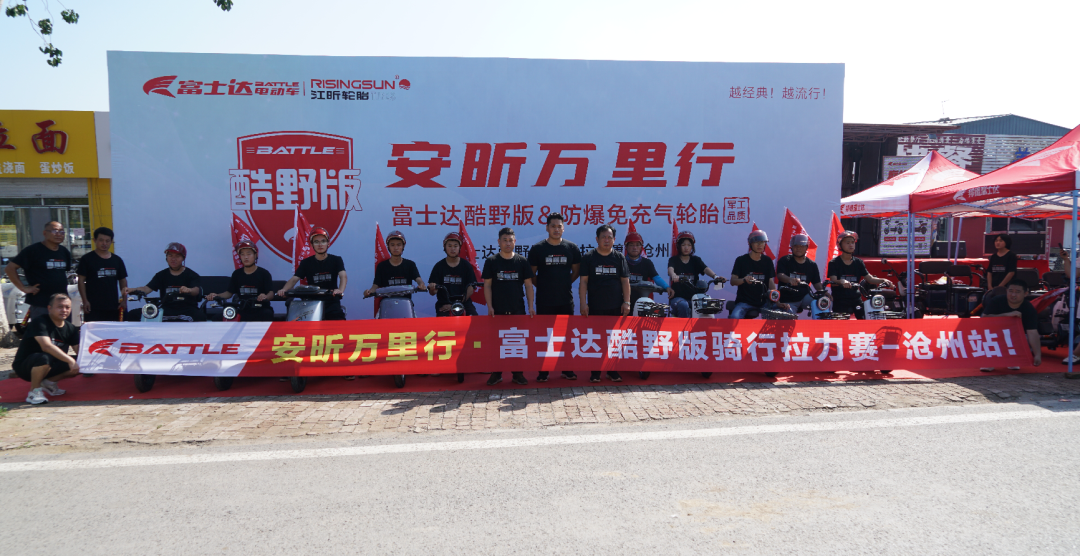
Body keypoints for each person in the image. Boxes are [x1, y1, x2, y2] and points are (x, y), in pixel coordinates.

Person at [528, 212, 581, 381]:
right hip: (544, 300)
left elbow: (576, 271)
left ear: (563, 228)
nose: (556, 229)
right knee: (545, 335)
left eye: (559, 226)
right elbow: (532, 275)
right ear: (547, 228)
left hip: (565, 299)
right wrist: (544, 286)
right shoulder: (538, 249)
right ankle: (544, 371)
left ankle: (567, 369)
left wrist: (564, 283)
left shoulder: (571, 248)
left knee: (566, 335)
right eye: (553, 226)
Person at [482, 227, 535, 386]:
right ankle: (496, 373)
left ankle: (517, 373)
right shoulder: (491, 261)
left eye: (510, 240)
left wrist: (531, 306)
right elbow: (487, 285)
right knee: (496, 342)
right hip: (497, 309)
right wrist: (489, 306)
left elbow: (528, 285)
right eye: (504, 240)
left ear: (515, 242)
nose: (507, 243)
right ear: (499, 242)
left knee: (517, 342)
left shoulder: (522, 261)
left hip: (517, 308)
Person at [579, 224, 631, 383]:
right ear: (597, 239)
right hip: (595, 306)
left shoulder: (619, 257)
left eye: (610, 237)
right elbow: (583, 282)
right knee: (596, 339)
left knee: (614, 339)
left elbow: (625, 281)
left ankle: (612, 371)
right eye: (603, 237)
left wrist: (627, 302)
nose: (606, 240)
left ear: (614, 240)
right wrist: (583, 303)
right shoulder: (589, 257)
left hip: (615, 305)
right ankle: (595, 372)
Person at [13, 293, 80, 405]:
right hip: (26, 366)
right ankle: (34, 392)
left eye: (67, 307)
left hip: (50, 363)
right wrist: (70, 360)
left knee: (81, 362)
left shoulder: (70, 328)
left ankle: (49, 383)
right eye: (60, 307)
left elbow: (79, 351)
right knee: (45, 357)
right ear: (49, 308)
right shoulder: (39, 322)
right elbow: (46, 346)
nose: (64, 310)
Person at [5, 220, 72, 321]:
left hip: (62, 304)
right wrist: (24, 288)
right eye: (55, 231)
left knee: (63, 330)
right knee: (41, 330)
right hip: (41, 304)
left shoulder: (64, 251)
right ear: (45, 233)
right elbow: (9, 268)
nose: (59, 234)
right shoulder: (33, 250)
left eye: (62, 232)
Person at [277, 227, 347, 320]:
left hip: (332, 302)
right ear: (311, 244)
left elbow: (343, 276)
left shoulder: (336, 260)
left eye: (323, 241)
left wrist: (340, 290)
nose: (320, 245)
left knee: (338, 322)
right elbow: (294, 279)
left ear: (328, 243)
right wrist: (284, 289)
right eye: (316, 242)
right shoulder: (306, 263)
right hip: (311, 303)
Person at [124, 242, 205, 321]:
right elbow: (146, 289)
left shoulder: (192, 275)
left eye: (177, 256)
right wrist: (133, 290)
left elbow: (196, 290)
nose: (173, 259)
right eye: (170, 255)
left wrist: (189, 290)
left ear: (183, 258)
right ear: (166, 258)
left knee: (200, 316)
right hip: (166, 309)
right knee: (133, 314)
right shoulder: (161, 275)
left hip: (187, 309)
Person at [827, 231, 893, 318]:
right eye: (847, 243)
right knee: (840, 323)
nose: (851, 245)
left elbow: (870, 279)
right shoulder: (834, 263)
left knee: (865, 319)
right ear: (840, 245)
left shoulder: (858, 262)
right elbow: (833, 281)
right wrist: (841, 281)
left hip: (856, 298)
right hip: (840, 299)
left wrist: (884, 280)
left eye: (852, 242)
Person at [204, 240, 275, 321]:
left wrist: (265, 297)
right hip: (242, 309)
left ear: (255, 255)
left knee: (267, 314)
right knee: (217, 318)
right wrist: (216, 295)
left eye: (249, 254)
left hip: (260, 308)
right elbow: (229, 293)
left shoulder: (264, 273)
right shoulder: (237, 274)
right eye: (242, 254)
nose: (246, 257)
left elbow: (271, 293)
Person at [981, 278, 1041, 371]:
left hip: (1015, 336)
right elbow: (984, 318)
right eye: (1011, 291)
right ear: (1006, 291)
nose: (1013, 295)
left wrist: (1037, 355)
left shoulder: (1029, 308)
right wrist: (1006, 315)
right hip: (994, 333)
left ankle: (1012, 359)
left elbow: (1032, 332)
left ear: (1025, 293)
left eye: (1017, 292)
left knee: (1026, 338)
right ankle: (990, 361)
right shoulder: (996, 301)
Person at [729, 230, 786, 319]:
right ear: (750, 244)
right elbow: (733, 281)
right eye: (757, 242)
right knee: (734, 317)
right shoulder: (741, 260)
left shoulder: (768, 261)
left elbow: (771, 283)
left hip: (765, 302)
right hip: (744, 302)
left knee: (786, 312)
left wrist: (777, 301)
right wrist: (744, 280)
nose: (760, 245)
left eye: (762, 242)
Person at [76, 226, 128, 322]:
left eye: (107, 241)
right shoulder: (87, 259)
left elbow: (123, 281)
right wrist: (85, 301)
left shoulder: (117, 260)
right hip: (93, 307)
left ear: (111, 241)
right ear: (95, 240)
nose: (104, 243)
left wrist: (124, 300)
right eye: (101, 240)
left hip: (113, 306)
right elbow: (81, 281)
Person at [667, 231, 723, 318]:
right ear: (678, 246)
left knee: (706, 306)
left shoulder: (696, 260)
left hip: (694, 298)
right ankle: (683, 327)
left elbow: (705, 269)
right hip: (678, 298)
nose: (686, 247)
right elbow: (670, 269)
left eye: (689, 245)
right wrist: (673, 275)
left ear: (692, 247)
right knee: (683, 305)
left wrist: (715, 276)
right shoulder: (674, 260)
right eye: (683, 245)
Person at [364, 229, 425, 301]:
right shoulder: (382, 266)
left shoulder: (410, 265)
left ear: (403, 246)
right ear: (388, 246)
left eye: (399, 245)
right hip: (387, 304)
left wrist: (421, 285)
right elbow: (375, 285)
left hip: (406, 304)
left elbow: (418, 279)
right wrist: (369, 292)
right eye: (392, 245)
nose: (396, 248)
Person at [427, 232, 479, 316]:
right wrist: (432, 288)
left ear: (460, 248)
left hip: (464, 304)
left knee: (474, 320)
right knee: (443, 322)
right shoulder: (439, 266)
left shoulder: (466, 266)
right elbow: (432, 292)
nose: (452, 249)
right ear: (445, 247)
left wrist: (456, 304)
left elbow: (471, 288)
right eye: (449, 246)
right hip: (444, 305)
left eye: (455, 246)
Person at [776, 233, 825, 315]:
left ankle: (822, 323)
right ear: (791, 247)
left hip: (805, 297)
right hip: (788, 299)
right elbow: (780, 275)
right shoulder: (784, 260)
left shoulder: (812, 265)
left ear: (806, 247)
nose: (798, 248)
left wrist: (824, 293)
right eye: (796, 246)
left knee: (823, 302)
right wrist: (790, 280)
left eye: (802, 246)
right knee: (788, 316)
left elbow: (817, 283)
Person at [625, 229, 675, 307]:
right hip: (624, 302)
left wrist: (667, 287)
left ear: (641, 247)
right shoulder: (621, 262)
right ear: (626, 247)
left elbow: (656, 278)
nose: (634, 248)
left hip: (642, 302)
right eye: (631, 245)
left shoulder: (647, 263)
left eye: (637, 245)